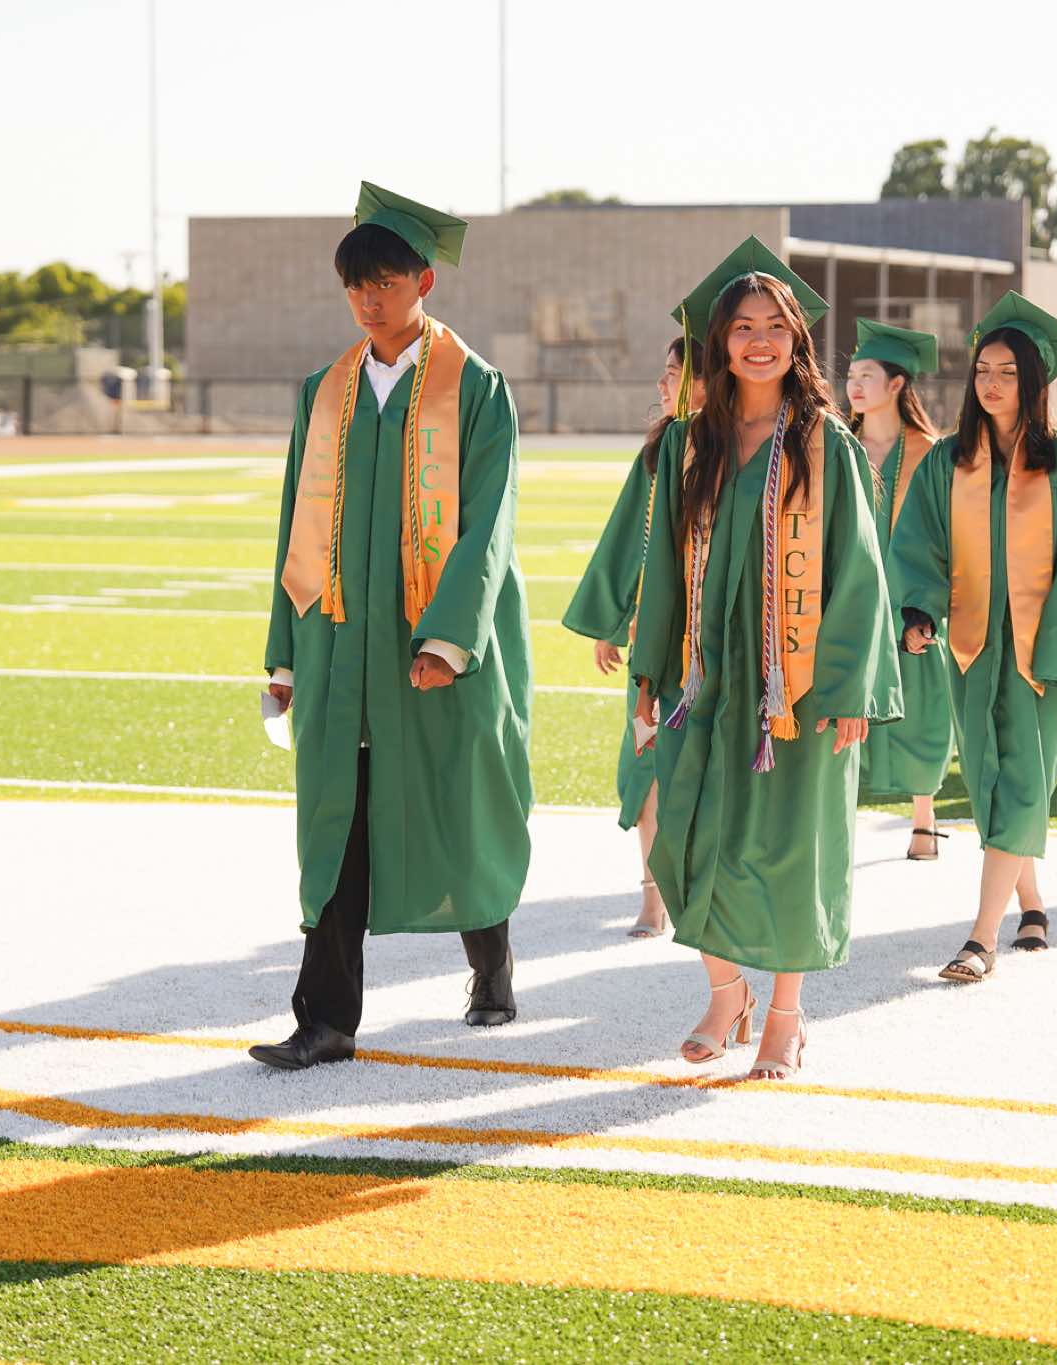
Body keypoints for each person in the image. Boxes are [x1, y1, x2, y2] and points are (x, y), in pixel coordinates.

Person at [256, 183, 532, 1070]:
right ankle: (325, 1019)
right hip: (339, 645)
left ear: (424, 282)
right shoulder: (324, 393)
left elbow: (488, 524)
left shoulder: (473, 388)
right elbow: (295, 528)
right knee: (335, 823)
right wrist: (285, 655)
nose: (369, 300)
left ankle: (490, 964)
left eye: (386, 282)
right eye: (356, 284)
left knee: (458, 805)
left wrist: (449, 640)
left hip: (440, 647)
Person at [630, 237, 898, 1077]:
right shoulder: (690, 444)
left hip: (799, 683)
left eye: (775, 326)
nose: (759, 341)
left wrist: (850, 686)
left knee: (790, 847)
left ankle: (784, 1015)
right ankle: (726, 991)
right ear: (719, 341)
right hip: (705, 677)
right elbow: (664, 570)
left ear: (797, 340)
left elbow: (858, 572)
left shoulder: (826, 444)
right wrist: (647, 674)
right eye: (743, 326)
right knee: (684, 838)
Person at [889, 292, 1057, 982]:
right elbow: (920, 544)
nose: (990, 383)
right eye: (983, 370)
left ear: (1034, 381)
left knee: (1022, 781)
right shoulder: (948, 462)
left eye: (1008, 373)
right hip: (972, 648)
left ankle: (980, 939)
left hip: (1043, 655)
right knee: (993, 781)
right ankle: (1033, 905)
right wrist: (918, 612)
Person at [562, 335, 702, 936]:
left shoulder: (741, 450)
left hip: (712, 642)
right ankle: (652, 896)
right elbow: (628, 542)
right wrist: (611, 624)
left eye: (674, 373)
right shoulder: (657, 452)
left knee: (699, 770)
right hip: (653, 642)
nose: (662, 384)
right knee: (646, 766)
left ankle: (698, 889)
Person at [843, 318, 955, 860]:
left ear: (896, 384)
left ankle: (924, 817)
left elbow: (946, 536)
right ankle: (838, 816)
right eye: (850, 376)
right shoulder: (836, 448)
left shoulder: (933, 454)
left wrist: (924, 607)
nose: (854, 385)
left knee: (922, 705)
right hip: (852, 598)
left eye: (867, 375)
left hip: (914, 597)